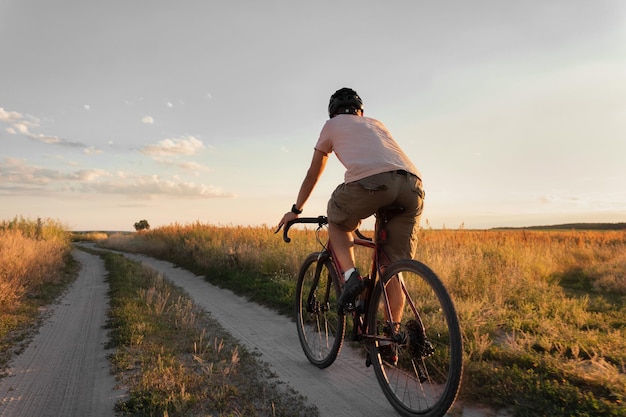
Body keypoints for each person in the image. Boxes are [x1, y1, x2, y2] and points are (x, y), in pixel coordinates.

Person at [277, 87, 424, 318]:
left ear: (333, 113)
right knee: (390, 269)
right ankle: (389, 344)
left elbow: (313, 173)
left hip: (374, 183)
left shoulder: (331, 126)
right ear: (360, 113)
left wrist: (296, 210)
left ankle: (350, 277)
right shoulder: (376, 124)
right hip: (413, 186)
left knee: (337, 218)